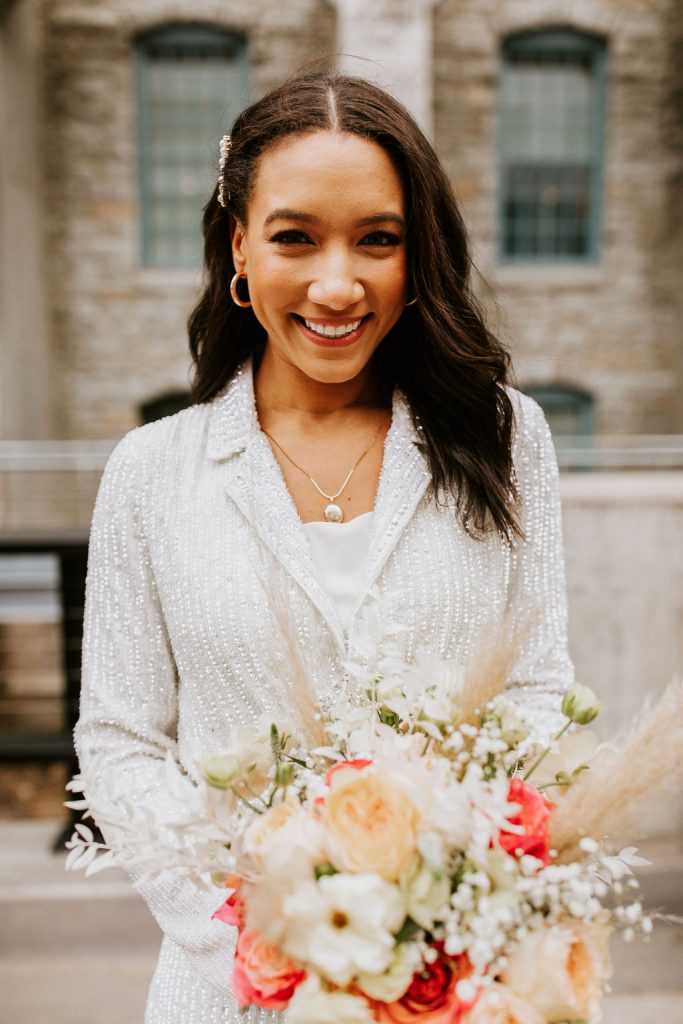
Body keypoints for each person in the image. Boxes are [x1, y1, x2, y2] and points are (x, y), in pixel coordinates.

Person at [75, 72, 574, 1024]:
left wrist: (435, 912)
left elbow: (537, 694)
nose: (337, 284)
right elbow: (122, 742)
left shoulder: (507, 439)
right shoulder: (150, 471)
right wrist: (270, 929)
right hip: (229, 989)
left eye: (377, 241)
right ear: (239, 247)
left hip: (457, 986)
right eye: (295, 236)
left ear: (415, 256)